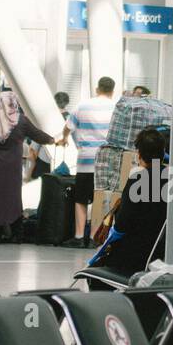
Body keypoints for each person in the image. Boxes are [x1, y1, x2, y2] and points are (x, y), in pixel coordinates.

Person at [0, 89, 55, 243]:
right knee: (12, 197)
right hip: (11, 165)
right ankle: (16, 233)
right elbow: (38, 135)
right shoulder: (21, 121)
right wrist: (53, 140)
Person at [87, 126, 169, 277]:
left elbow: (121, 226)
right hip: (161, 254)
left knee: (95, 271)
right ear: (163, 153)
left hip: (132, 257)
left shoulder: (137, 181)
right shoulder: (172, 179)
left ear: (139, 155)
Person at [63, 76, 117, 247]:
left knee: (80, 199)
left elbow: (68, 127)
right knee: (99, 199)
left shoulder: (83, 105)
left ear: (97, 88)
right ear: (112, 90)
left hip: (85, 160)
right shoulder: (117, 108)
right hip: (106, 162)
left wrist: (64, 138)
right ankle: (94, 238)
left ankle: (79, 237)